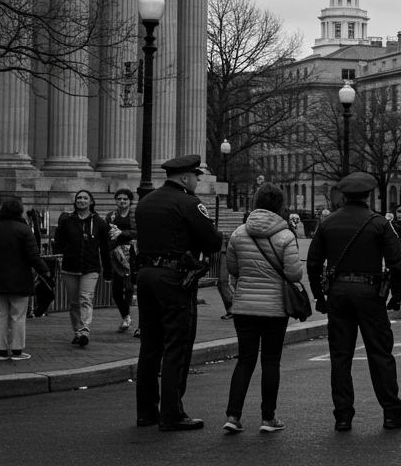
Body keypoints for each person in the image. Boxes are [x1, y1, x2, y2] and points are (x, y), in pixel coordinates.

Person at [307, 172, 401, 432]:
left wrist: (319, 295)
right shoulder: (379, 223)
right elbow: (396, 262)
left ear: (343, 195)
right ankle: (391, 413)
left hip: (338, 291)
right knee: (380, 353)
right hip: (370, 292)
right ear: (368, 195)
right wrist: (397, 294)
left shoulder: (328, 223)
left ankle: (343, 416)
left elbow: (314, 262)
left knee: (341, 356)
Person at [134, 154, 223, 432]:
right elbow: (212, 241)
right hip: (174, 277)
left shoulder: (146, 201)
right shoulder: (189, 202)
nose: (197, 181)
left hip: (147, 275)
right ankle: (171, 412)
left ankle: (146, 412)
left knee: (150, 345)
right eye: (197, 176)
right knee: (176, 344)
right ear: (185, 177)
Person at [222, 183, 302, 435]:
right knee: (270, 361)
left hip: (244, 305)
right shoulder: (286, 235)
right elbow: (294, 273)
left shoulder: (238, 233)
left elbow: (232, 269)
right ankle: (268, 417)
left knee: (244, 360)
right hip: (274, 307)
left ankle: (233, 416)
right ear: (280, 205)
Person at [0, 197, 52, 361]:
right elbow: (34, 256)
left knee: (0, 315)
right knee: (18, 316)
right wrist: (45, 272)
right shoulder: (24, 230)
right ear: (19, 211)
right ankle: (17, 349)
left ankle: (1, 351)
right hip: (19, 278)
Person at [53, 189, 111, 348]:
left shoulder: (99, 222)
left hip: (90, 267)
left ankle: (85, 329)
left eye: (85, 198)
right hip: (69, 268)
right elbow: (59, 242)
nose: (82, 200)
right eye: (79, 198)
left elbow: (105, 247)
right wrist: (58, 258)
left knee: (85, 298)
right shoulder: (67, 220)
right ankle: (77, 331)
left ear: (91, 202)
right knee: (73, 303)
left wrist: (108, 269)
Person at [106, 188, 138, 333]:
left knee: (130, 286)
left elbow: (139, 232)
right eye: (119, 199)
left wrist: (123, 234)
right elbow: (107, 235)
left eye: (125, 199)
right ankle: (126, 315)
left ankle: (127, 318)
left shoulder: (135, 216)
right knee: (117, 291)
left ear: (130, 201)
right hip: (116, 255)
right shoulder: (111, 216)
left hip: (133, 255)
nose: (122, 201)